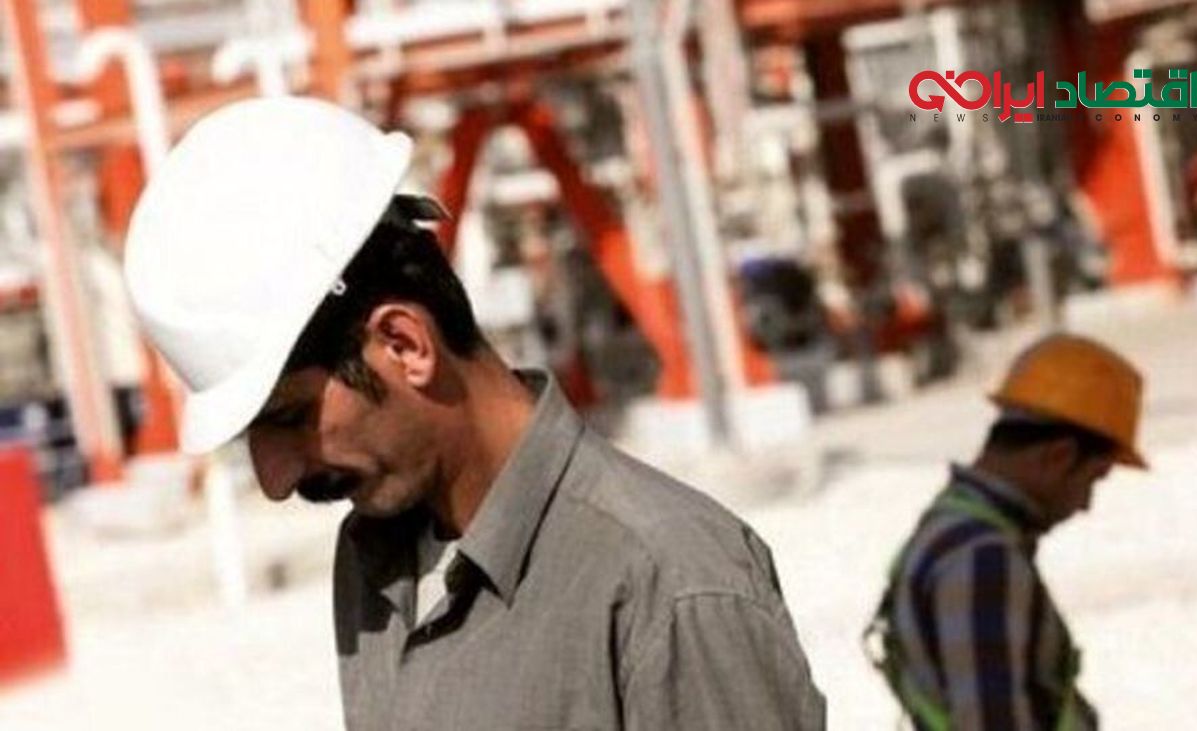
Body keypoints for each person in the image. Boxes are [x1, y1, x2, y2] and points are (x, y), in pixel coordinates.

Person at [124, 97, 825, 730]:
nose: (275, 479)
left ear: (405, 345)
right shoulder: (375, 564)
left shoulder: (671, 586)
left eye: (290, 416)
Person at [864, 333, 1146, 730]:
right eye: (1093, 479)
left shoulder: (953, 530)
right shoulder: (982, 561)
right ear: (1059, 456)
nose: (1085, 504)